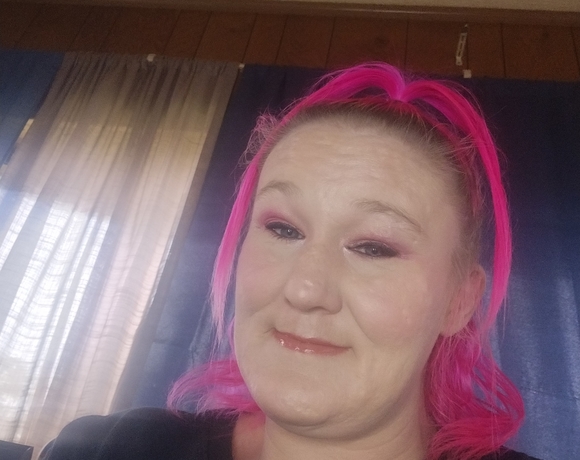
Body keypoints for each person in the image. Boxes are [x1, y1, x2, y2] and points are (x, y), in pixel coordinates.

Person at [42, 64, 540, 460]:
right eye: (283, 229)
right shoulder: (110, 449)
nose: (304, 289)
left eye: (374, 247)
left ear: (458, 301)